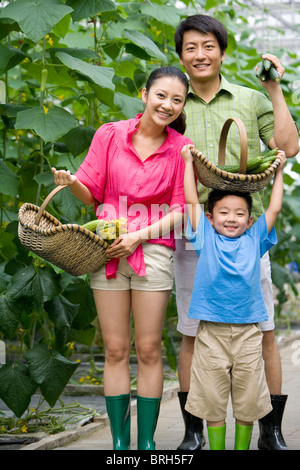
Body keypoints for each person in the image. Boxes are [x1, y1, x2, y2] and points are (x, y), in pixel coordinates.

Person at [173, 14, 299, 450]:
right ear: (181, 56)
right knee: (192, 331)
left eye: (208, 46)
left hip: (246, 236)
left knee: (261, 328)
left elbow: (287, 147)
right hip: (195, 233)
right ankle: (193, 433)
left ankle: (271, 429)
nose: (200, 55)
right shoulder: (173, 104)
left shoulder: (248, 98)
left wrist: (273, 89)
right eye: (190, 47)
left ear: (222, 52)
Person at [52, 66, 193, 451]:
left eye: (177, 100)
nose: (167, 105)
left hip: (152, 247)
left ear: (181, 107)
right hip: (108, 247)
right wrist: (72, 182)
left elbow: (182, 210)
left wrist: (139, 237)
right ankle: (118, 442)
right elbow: (92, 191)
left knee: (148, 347)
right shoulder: (110, 135)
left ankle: (146, 443)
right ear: (145, 94)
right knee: (114, 348)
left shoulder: (182, 148)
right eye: (161, 95)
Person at [181, 143, 286, 450]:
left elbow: (275, 208)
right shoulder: (205, 238)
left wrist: (278, 171)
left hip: (248, 334)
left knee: (248, 399)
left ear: (249, 220)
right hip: (211, 332)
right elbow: (190, 201)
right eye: (224, 212)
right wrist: (188, 163)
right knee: (212, 399)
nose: (232, 218)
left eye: (240, 213)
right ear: (210, 217)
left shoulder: (255, 239)